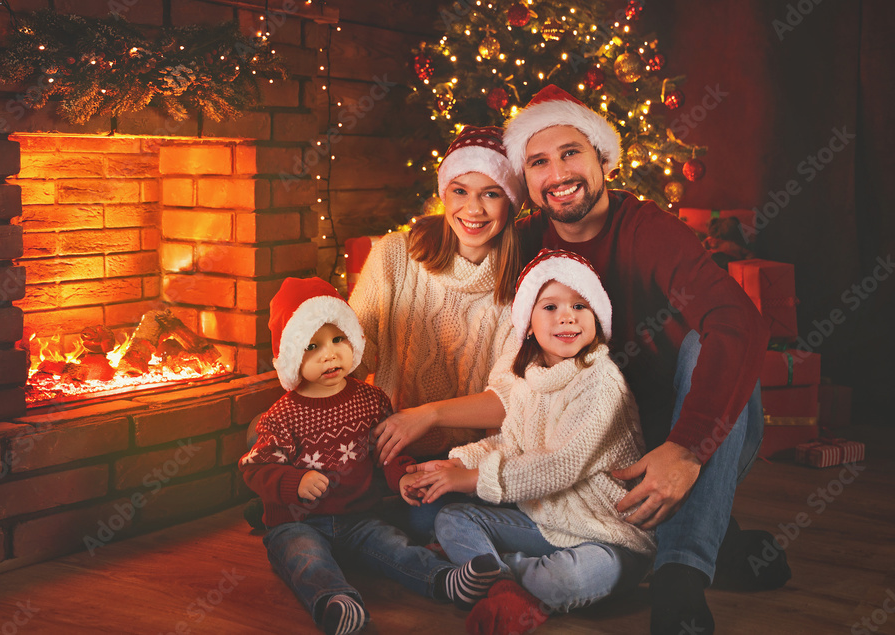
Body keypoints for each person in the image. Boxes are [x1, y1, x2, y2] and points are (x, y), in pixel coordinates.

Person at [375, 85, 787, 634]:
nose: (557, 173)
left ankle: (679, 579)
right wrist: (427, 413)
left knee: (705, 343)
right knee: (424, 513)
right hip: (577, 451)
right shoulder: (525, 241)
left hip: (678, 433)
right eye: (539, 162)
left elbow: (740, 322)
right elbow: (468, 237)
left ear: (602, 159)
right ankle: (712, 538)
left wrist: (685, 449)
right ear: (526, 180)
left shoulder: (649, 230)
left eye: (571, 152)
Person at [407, 249, 656, 635]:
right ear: (527, 324)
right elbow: (512, 444)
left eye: (580, 306)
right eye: (550, 307)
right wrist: (458, 464)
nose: (567, 316)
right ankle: (503, 585)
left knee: (560, 582)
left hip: (606, 533)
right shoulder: (530, 376)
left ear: (597, 318)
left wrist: (471, 480)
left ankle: (488, 571)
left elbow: (557, 465)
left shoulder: (601, 381)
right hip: (542, 519)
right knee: (451, 517)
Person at [240, 277, 503, 635]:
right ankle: (337, 603)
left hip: (358, 516)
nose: (330, 353)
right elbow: (256, 469)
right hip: (298, 522)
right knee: (306, 559)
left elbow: (389, 451)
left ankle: (445, 581)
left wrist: (404, 476)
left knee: (396, 546)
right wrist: (294, 481)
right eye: (312, 346)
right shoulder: (282, 416)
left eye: (338, 339)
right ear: (290, 357)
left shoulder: (370, 399)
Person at [348, 125, 525, 459]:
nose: (473, 210)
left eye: (491, 193)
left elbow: (509, 398)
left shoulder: (523, 288)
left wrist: (427, 415)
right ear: (444, 195)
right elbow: (352, 350)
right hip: (382, 446)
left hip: (462, 463)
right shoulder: (395, 255)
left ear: (511, 203)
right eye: (460, 191)